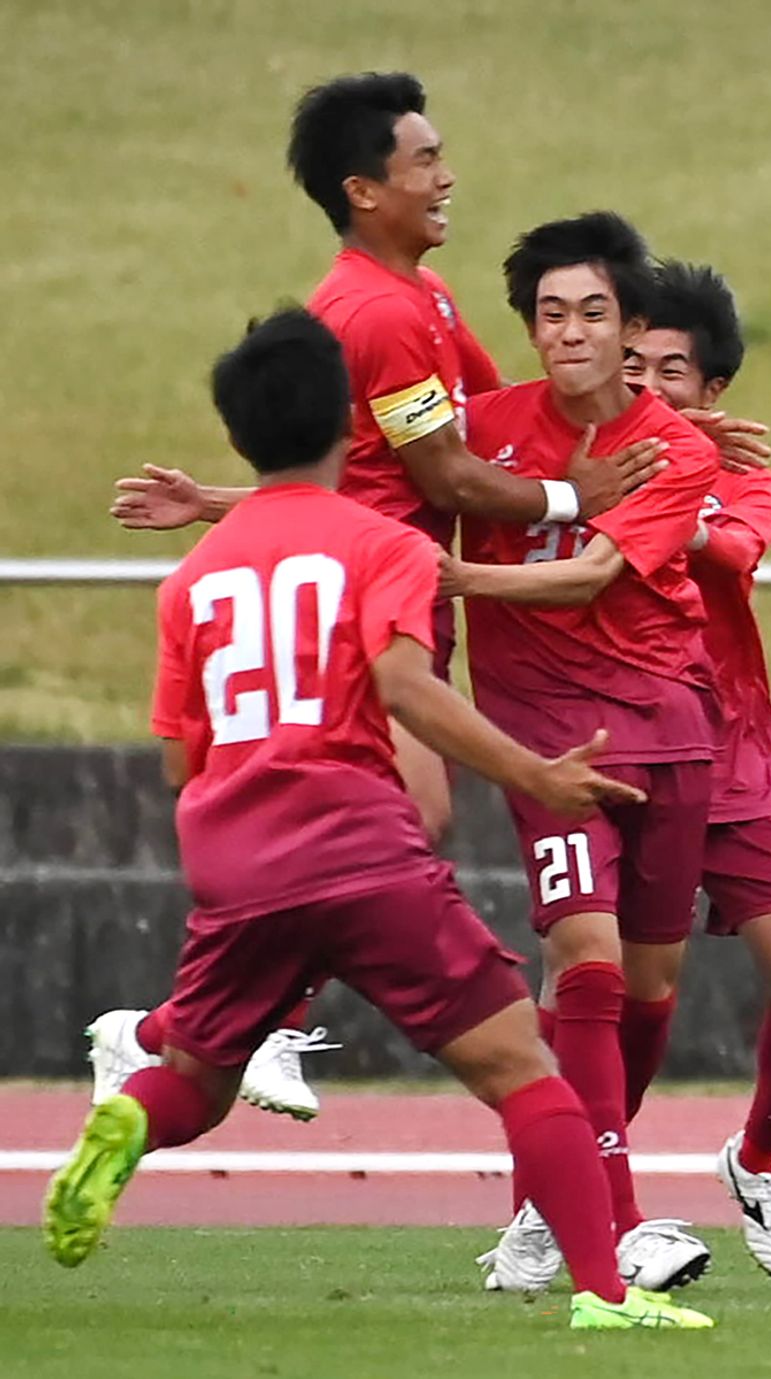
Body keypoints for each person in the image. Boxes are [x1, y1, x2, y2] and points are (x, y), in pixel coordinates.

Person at [43, 307, 714, 1334]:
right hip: (358, 847)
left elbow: (181, 755)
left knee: (200, 1081)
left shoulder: (195, 578)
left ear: (237, 436)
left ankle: (127, 1116)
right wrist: (536, 771)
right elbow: (407, 685)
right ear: (355, 430)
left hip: (231, 861)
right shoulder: (384, 543)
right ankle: (605, 1298)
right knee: (526, 1075)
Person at [96, 72, 665, 1118]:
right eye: (425, 162)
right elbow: (447, 474)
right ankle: (248, 1023)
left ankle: (175, 1030)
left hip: (396, 585)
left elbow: (479, 420)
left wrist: (659, 414)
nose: (448, 176)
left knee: (411, 822)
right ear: (366, 189)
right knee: (411, 815)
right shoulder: (380, 313)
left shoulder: (422, 298)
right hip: (369, 599)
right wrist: (569, 489)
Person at [439, 211, 721, 1295]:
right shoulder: (481, 428)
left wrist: (461, 580)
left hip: (667, 724)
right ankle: (622, 1217)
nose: (569, 332)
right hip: (544, 737)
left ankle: (541, 1201)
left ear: (630, 325)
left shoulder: (674, 445)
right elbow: (372, 496)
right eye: (549, 314)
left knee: (646, 991)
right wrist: (222, 503)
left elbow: (593, 574)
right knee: (587, 959)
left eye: (592, 312)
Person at [618, 260, 771, 1280]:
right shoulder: (577, 473)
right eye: (632, 367)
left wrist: (668, 472)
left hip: (731, 756)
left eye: (672, 372)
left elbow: (726, 552)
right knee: (613, 996)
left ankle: (755, 1159)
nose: (647, 387)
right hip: (620, 755)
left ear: (713, 395)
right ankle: (567, 1193)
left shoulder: (743, 475)